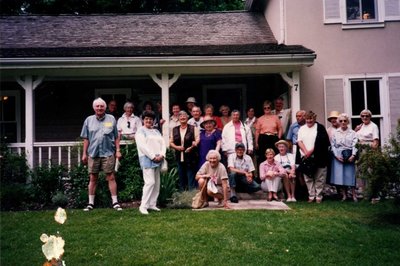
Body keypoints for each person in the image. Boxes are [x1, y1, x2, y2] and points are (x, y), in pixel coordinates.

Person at [80, 97, 122, 211]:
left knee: (111, 177)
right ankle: (90, 203)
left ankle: (115, 202)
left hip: (108, 153)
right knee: (93, 178)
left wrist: (118, 150)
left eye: (102, 106)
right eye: (97, 106)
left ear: (105, 107)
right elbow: (86, 139)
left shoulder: (111, 119)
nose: (99, 108)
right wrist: (84, 153)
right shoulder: (88, 120)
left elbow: (116, 137)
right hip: (93, 153)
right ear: (94, 108)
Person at [135, 110, 167, 215]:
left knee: (157, 183)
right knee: (150, 182)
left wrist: (162, 155)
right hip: (147, 158)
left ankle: (152, 204)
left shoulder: (156, 131)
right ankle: (143, 206)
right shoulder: (140, 131)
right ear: (143, 120)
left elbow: (163, 143)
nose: (149, 121)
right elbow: (142, 146)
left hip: (159, 158)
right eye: (146, 119)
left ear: (153, 120)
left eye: (151, 119)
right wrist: (153, 157)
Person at [297, 111, 330, 203]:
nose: (309, 120)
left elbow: (322, 143)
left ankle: (319, 196)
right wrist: (305, 152)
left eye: (311, 118)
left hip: (318, 156)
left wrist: (311, 151)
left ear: (314, 119)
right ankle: (311, 195)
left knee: (319, 177)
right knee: (308, 177)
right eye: (307, 119)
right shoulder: (302, 129)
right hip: (305, 156)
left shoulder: (320, 128)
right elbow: (299, 141)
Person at [330, 113, 358, 202]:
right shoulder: (336, 132)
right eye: (341, 121)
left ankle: (354, 195)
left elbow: (355, 145)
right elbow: (333, 145)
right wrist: (337, 156)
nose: (343, 122)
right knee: (341, 176)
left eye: (345, 121)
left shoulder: (353, 133)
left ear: (348, 122)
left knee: (351, 175)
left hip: (349, 154)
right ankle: (344, 195)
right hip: (339, 155)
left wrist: (353, 155)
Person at [170, 111, 200, 191]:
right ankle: (182, 197)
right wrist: (177, 147)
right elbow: (171, 143)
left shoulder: (193, 128)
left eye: (184, 116)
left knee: (191, 177)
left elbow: (197, 139)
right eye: (181, 116)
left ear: (187, 118)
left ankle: (191, 196)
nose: (182, 118)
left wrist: (193, 145)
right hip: (179, 157)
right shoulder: (174, 129)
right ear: (178, 118)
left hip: (190, 157)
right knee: (181, 177)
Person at [354, 109, 380, 200]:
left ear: (370, 117)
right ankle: (365, 193)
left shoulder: (373, 126)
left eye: (367, 116)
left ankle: (372, 194)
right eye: (363, 116)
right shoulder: (360, 126)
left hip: (368, 149)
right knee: (362, 170)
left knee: (370, 171)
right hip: (360, 150)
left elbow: (375, 141)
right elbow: (354, 137)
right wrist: (355, 130)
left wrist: (372, 153)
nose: (365, 117)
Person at [255, 100, 282, 165]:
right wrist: (256, 142)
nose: (266, 109)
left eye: (268, 107)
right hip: (263, 138)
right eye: (265, 108)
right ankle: (262, 174)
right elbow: (257, 131)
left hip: (273, 138)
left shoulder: (275, 117)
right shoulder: (260, 119)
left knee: (274, 156)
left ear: (271, 108)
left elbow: (280, 128)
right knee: (262, 156)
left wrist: (278, 138)